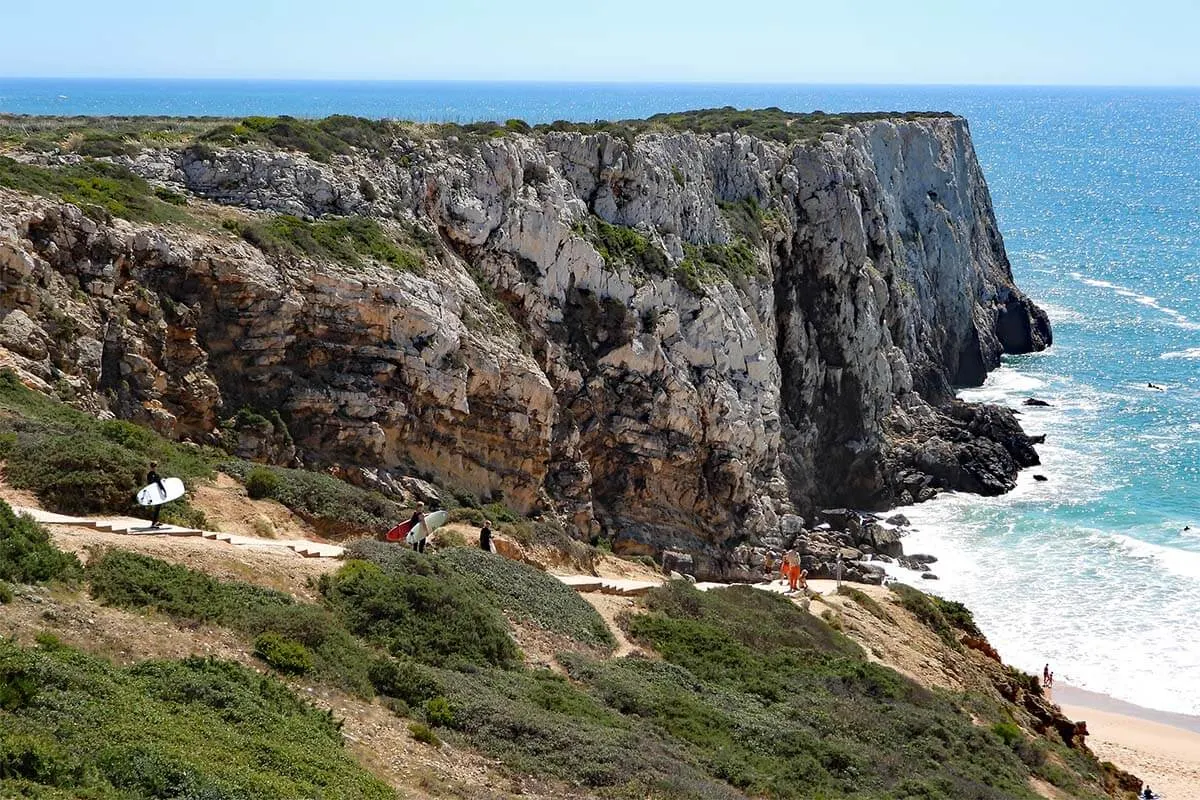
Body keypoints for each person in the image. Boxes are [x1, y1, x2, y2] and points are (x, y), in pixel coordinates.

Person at [146, 461, 166, 528]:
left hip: (155, 493)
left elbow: (157, 483)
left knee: (158, 508)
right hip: (155, 493)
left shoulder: (150, 474)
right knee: (157, 508)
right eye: (154, 466)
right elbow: (156, 484)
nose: (155, 468)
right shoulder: (153, 475)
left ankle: (156, 522)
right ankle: (153, 523)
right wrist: (164, 491)